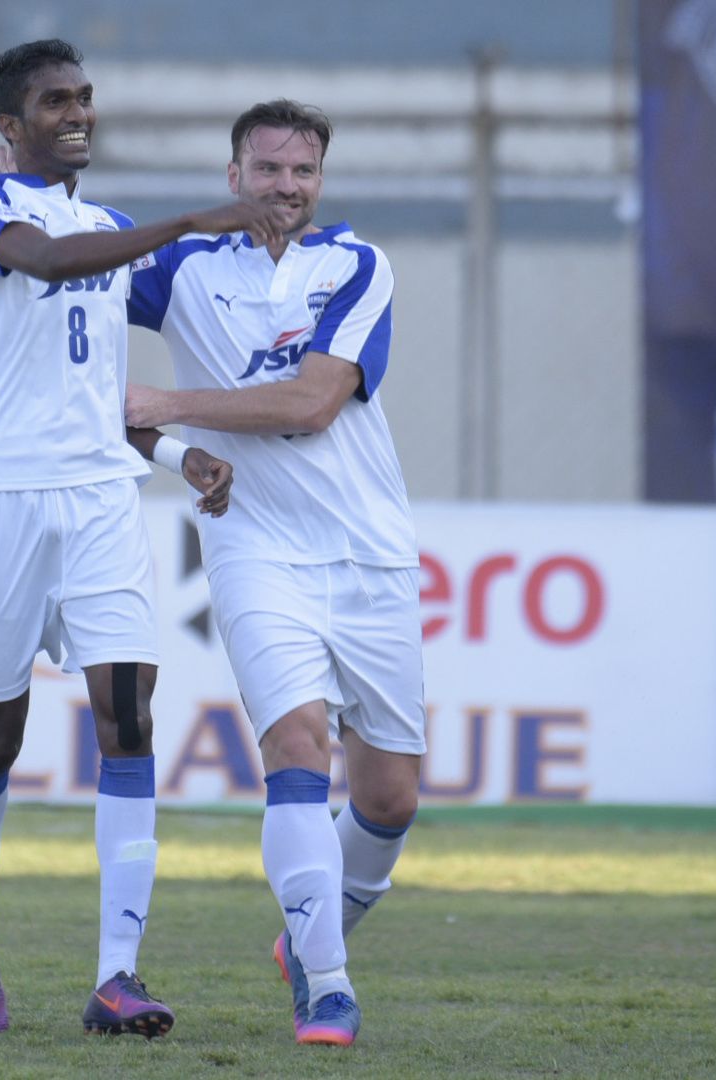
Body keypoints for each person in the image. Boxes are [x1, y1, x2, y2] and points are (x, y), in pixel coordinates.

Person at [0, 38, 282, 1039]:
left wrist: (176, 456)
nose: (77, 112)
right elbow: (42, 263)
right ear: (11, 123)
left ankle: (117, 977)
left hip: (99, 499)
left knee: (127, 716)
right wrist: (190, 220)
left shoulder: (112, 226)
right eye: (54, 101)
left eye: (84, 96)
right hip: (2, 498)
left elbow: (91, 392)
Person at [119, 99, 420, 1049]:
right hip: (252, 547)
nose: (285, 187)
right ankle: (326, 985)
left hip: (369, 552)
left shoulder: (357, 265)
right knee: (295, 748)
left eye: (303, 171)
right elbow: (55, 294)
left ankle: (309, 936)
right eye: (268, 168)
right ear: (233, 174)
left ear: (319, 180)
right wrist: (19, 189)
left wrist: (165, 402)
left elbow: (314, 402)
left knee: (389, 799)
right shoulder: (180, 266)